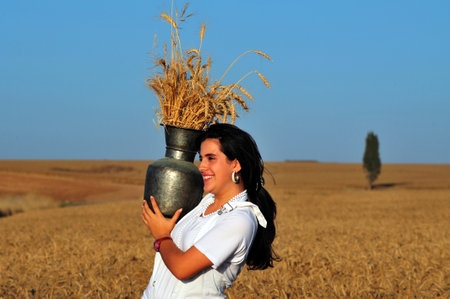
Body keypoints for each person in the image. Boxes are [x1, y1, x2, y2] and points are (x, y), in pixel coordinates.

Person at [141, 123, 278, 298]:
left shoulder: (240, 219)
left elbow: (182, 268)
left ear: (235, 165)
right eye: (201, 158)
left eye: (211, 158)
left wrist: (161, 237)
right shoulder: (204, 203)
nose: (201, 167)